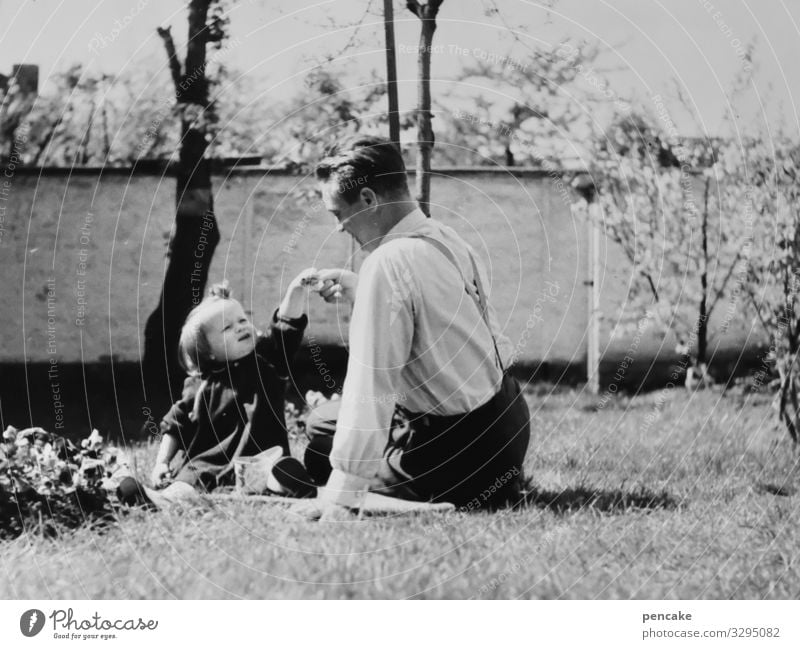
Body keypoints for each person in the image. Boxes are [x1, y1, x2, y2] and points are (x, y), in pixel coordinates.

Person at [303, 134, 531, 515]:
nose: (340, 227)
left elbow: (371, 380)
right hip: (507, 425)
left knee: (321, 451)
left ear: (369, 200)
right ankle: (485, 483)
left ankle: (419, 500)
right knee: (323, 423)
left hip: (460, 453)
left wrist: (344, 488)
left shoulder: (387, 262)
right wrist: (363, 292)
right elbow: (443, 326)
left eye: (337, 213)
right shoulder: (448, 238)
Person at [147, 271, 320, 502]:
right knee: (187, 482)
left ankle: (287, 481)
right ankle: (159, 498)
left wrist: (296, 290)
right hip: (208, 463)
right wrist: (162, 463)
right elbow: (175, 426)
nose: (240, 327)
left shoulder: (266, 361)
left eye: (242, 320)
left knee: (277, 470)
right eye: (227, 328)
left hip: (261, 459)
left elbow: (286, 328)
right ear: (207, 350)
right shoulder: (198, 385)